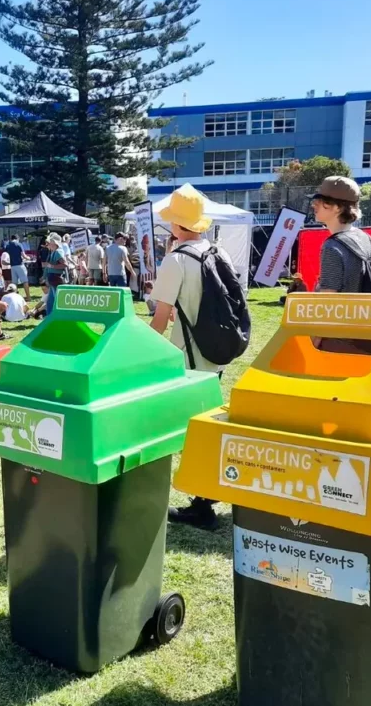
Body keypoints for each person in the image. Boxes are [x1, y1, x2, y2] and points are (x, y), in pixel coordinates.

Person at [150, 184, 243, 531]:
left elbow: (159, 320)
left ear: (176, 225)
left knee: (190, 434)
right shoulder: (219, 253)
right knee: (205, 431)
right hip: (214, 356)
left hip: (186, 362)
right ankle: (204, 501)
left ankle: (202, 507)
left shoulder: (175, 260)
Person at [312, 176, 371, 354]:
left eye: (320, 201)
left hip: (339, 339)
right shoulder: (366, 238)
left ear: (338, 207)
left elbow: (328, 301)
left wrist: (315, 338)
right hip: (369, 335)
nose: (314, 204)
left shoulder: (332, 247)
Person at [42, 233, 68, 314]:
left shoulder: (58, 252)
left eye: (49, 242)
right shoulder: (53, 252)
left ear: (54, 243)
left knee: (57, 300)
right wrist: (44, 276)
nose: (48, 244)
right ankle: (49, 317)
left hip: (56, 279)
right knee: (51, 301)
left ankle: (58, 316)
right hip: (53, 279)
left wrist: (51, 266)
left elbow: (65, 264)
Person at [4, 235, 31, 300]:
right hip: (20, 265)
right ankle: (28, 297)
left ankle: (14, 297)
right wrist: (28, 258)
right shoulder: (19, 244)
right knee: (25, 281)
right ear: (17, 238)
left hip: (12, 266)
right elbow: (24, 256)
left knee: (14, 283)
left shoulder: (8, 245)